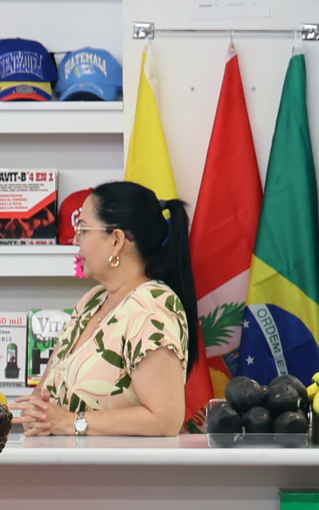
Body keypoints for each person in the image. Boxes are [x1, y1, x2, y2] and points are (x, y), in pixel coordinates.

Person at [14, 182, 199, 438]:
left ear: (116, 240)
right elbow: (46, 391)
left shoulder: (152, 307)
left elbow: (165, 418)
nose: (75, 239)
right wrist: (37, 412)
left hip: (121, 475)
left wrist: (72, 423)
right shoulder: (93, 300)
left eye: (83, 229)